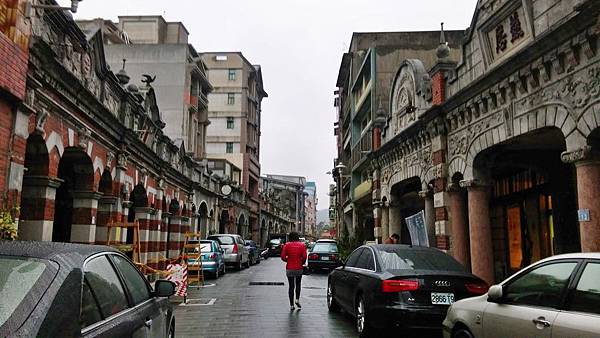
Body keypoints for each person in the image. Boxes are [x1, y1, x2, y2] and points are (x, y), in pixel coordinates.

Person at [281, 231, 307, 310]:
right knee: (298, 284)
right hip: (299, 268)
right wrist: (301, 262)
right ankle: (297, 299)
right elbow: (305, 257)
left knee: (291, 286)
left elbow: (282, 257)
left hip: (289, 268)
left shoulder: (287, 245)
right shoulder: (302, 245)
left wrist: (288, 260)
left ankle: (291, 305)